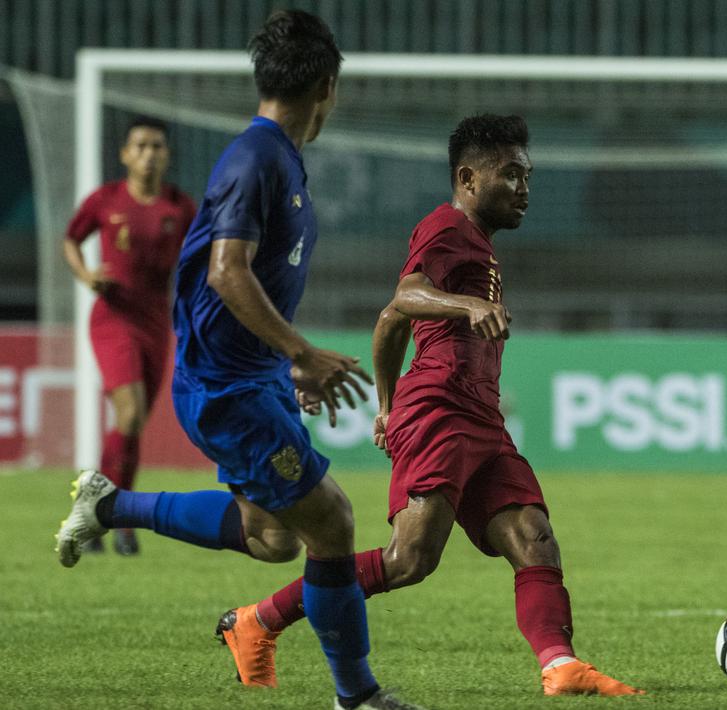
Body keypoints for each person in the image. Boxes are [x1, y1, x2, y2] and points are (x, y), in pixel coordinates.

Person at [54, 10, 416, 710]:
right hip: (228, 388)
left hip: (251, 375)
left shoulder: (274, 156)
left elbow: (243, 282)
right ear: (327, 86)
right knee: (333, 523)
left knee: (273, 536)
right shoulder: (257, 159)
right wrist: (300, 353)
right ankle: (359, 696)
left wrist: (285, 365)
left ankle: (112, 504)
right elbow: (227, 272)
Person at [215, 114, 644, 698]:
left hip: (478, 416)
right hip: (441, 408)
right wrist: (466, 308)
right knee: (409, 560)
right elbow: (406, 296)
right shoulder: (446, 227)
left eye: (528, 176)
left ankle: (560, 666)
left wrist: (387, 405)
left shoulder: (479, 248)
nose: (524, 189)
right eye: (511, 174)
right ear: (468, 178)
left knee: (534, 537)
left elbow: (392, 320)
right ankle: (256, 621)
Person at [62, 115, 197, 555]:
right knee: (131, 413)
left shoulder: (179, 207)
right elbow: (71, 239)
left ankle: (105, 510)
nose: (148, 154)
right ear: (124, 154)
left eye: (157, 146)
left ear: (167, 155)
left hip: (157, 322)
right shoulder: (106, 199)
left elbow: (201, 257)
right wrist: (86, 275)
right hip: (113, 318)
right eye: (140, 146)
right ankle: (117, 513)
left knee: (135, 423)